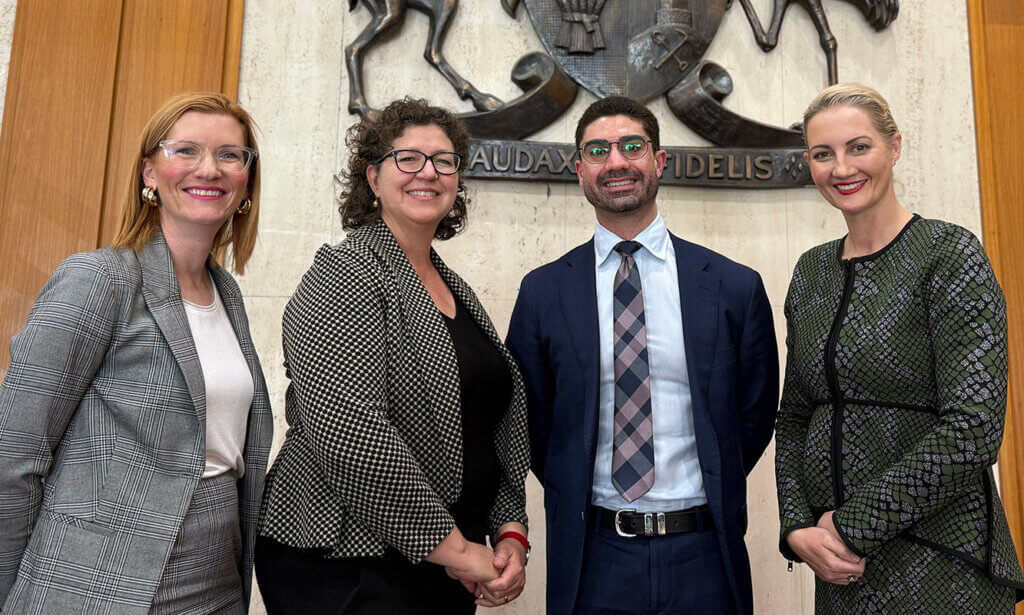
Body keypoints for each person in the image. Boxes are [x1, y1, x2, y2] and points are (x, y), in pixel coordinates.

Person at [0, 92, 273, 614]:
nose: (209, 169)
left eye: (229, 155)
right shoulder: (100, 279)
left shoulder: (227, 295)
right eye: (186, 150)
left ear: (246, 182)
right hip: (95, 582)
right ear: (150, 172)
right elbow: (14, 452)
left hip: (217, 575)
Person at [255, 98, 530, 614]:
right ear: (373, 178)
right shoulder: (344, 273)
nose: (428, 172)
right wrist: (457, 552)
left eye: (444, 161)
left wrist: (509, 531)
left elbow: (487, 420)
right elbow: (350, 430)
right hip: (347, 562)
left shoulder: (450, 286)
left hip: (441, 562)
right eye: (408, 158)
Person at [506, 96, 779, 615]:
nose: (616, 162)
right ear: (579, 169)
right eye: (598, 150)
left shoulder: (733, 286)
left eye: (632, 146)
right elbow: (532, 422)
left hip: (704, 553)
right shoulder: (543, 292)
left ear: (660, 160)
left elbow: (753, 415)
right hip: (593, 557)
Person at [775, 82, 1024, 613]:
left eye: (858, 147)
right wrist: (797, 526)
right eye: (823, 154)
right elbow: (795, 415)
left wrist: (851, 525)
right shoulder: (811, 272)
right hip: (841, 571)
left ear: (895, 147)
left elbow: (974, 429)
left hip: (943, 560)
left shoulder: (949, 253)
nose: (842, 168)